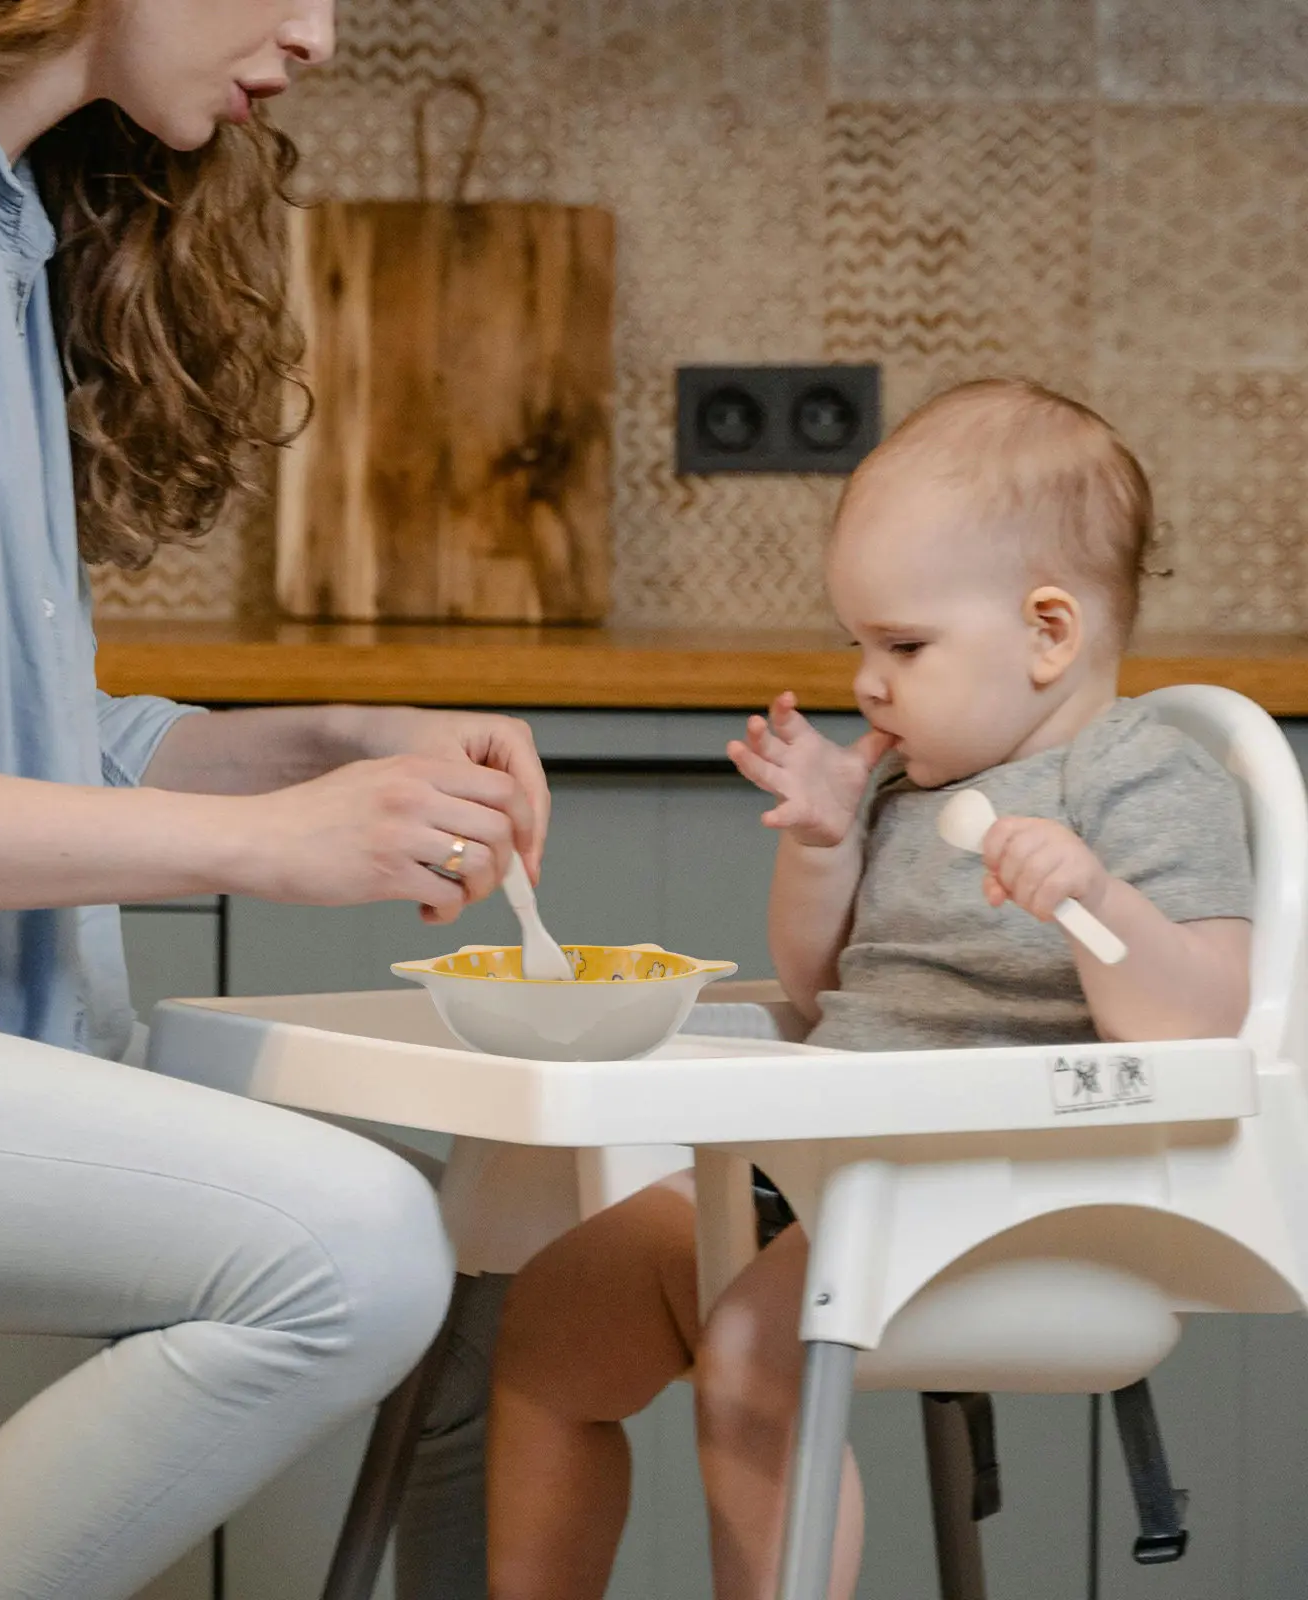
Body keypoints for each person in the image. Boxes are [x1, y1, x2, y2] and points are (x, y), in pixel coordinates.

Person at [0, 6, 551, 1598]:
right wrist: (256, 844)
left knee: (497, 1232)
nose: (318, 33)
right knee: (352, 1249)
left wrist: (319, 749)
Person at [485, 379, 1255, 1600]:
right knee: (548, 1320)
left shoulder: (1139, 780)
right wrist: (824, 842)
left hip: (1006, 1190)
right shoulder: (909, 786)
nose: (868, 683)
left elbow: (1202, 1022)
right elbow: (821, 986)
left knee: (753, 1348)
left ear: (1048, 633)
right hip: (822, 1170)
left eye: (903, 646)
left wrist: (1098, 900)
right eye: (858, 646)